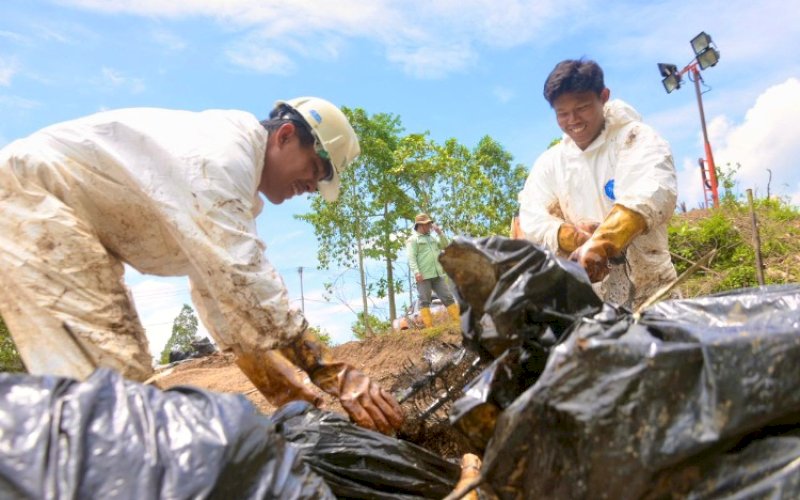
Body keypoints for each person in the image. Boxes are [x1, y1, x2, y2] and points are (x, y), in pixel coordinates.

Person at [0, 97, 403, 435]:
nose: (312, 188)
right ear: (285, 136)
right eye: (315, 171)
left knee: (124, 391)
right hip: (33, 202)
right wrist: (329, 369)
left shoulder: (232, 189)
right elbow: (242, 275)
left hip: (62, 218)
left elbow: (224, 302)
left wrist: (296, 398)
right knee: (109, 398)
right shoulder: (220, 158)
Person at [518, 59, 678, 309]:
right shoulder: (551, 163)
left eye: (582, 108)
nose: (573, 120)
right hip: (589, 302)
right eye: (562, 113)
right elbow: (532, 219)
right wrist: (572, 236)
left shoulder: (635, 138)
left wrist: (602, 242)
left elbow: (651, 192)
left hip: (652, 291)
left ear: (603, 97)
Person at [405, 213, 459, 327]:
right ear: (420, 225)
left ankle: (457, 323)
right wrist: (416, 272)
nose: (430, 226)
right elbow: (411, 258)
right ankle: (429, 328)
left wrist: (440, 233)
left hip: (437, 274)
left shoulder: (432, 238)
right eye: (427, 224)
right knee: (424, 301)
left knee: (448, 297)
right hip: (423, 275)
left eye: (430, 223)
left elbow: (445, 245)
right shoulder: (413, 240)